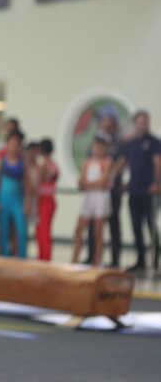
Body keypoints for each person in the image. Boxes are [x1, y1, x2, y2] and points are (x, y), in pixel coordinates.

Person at [116, 110, 161, 273]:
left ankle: (154, 260)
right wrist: (114, 180)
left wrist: (156, 183)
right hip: (134, 190)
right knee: (136, 226)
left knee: (151, 226)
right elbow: (122, 164)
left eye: (146, 122)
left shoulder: (154, 142)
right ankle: (140, 260)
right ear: (135, 123)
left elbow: (158, 163)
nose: (144, 125)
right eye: (141, 122)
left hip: (150, 192)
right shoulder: (129, 144)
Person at [85, 114, 124, 268]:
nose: (107, 128)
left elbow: (119, 164)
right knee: (93, 226)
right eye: (105, 125)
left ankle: (115, 260)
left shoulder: (118, 144)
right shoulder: (94, 144)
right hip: (95, 193)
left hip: (112, 191)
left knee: (114, 225)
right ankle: (91, 256)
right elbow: (89, 165)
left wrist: (110, 176)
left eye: (110, 125)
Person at [71, 135, 113, 267]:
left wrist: (87, 184)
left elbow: (103, 182)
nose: (97, 149)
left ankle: (96, 262)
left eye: (101, 146)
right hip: (89, 197)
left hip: (101, 197)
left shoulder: (107, 162)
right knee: (79, 229)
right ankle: (74, 260)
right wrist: (90, 184)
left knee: (98, 232)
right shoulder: (87, 162)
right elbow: (81, 182)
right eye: (96, 146)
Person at [0, 130, 30, 258]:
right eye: (11, 144)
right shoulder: (0, 162)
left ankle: (22, 258)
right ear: (6, 145)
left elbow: (27, 185)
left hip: (17, 200)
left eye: (16, 145)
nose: (14, 148)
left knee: (22, 230)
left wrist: (27, 203)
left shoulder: (22, 164)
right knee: (4, 231)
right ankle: (5, 258)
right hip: (3, 199)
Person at [35, 138, 59, 261]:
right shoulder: (54, 165)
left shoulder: (43, 166)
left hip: (44, 200)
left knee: (42, 232)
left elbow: (38, 185)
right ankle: (44, 257)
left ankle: (44, 258)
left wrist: (36, 203)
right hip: (50, 199)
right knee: (45, 231)